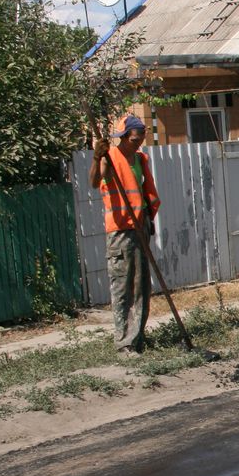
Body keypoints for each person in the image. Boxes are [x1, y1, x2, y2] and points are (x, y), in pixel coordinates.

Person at [88, 114, 160, 355]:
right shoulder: (111, 158)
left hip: (140, 229)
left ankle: (137, 339)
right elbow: (94, 181)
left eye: (141, 138)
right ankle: (124, 343)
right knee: (122, 288)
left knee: (141, 288)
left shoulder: (140, 159)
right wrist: (97, 157)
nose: (138, 142)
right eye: (134, 139)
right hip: (120, 232)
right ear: (124, 137)